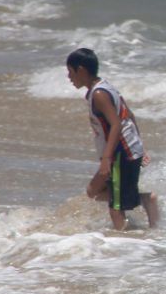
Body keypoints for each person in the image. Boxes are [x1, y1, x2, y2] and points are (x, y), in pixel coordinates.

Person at [65, 48, 158, 230]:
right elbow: (129, 115)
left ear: (81, 70)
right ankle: (146, 201)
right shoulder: (105, 87)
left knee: (116, 208)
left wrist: (107, 159)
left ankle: (123, 245)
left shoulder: (99, 95)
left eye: (70, 72)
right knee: (94, 191)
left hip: (120, 153)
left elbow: (116, 124)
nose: (69, 77)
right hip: (127, 150)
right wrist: (140, 147)